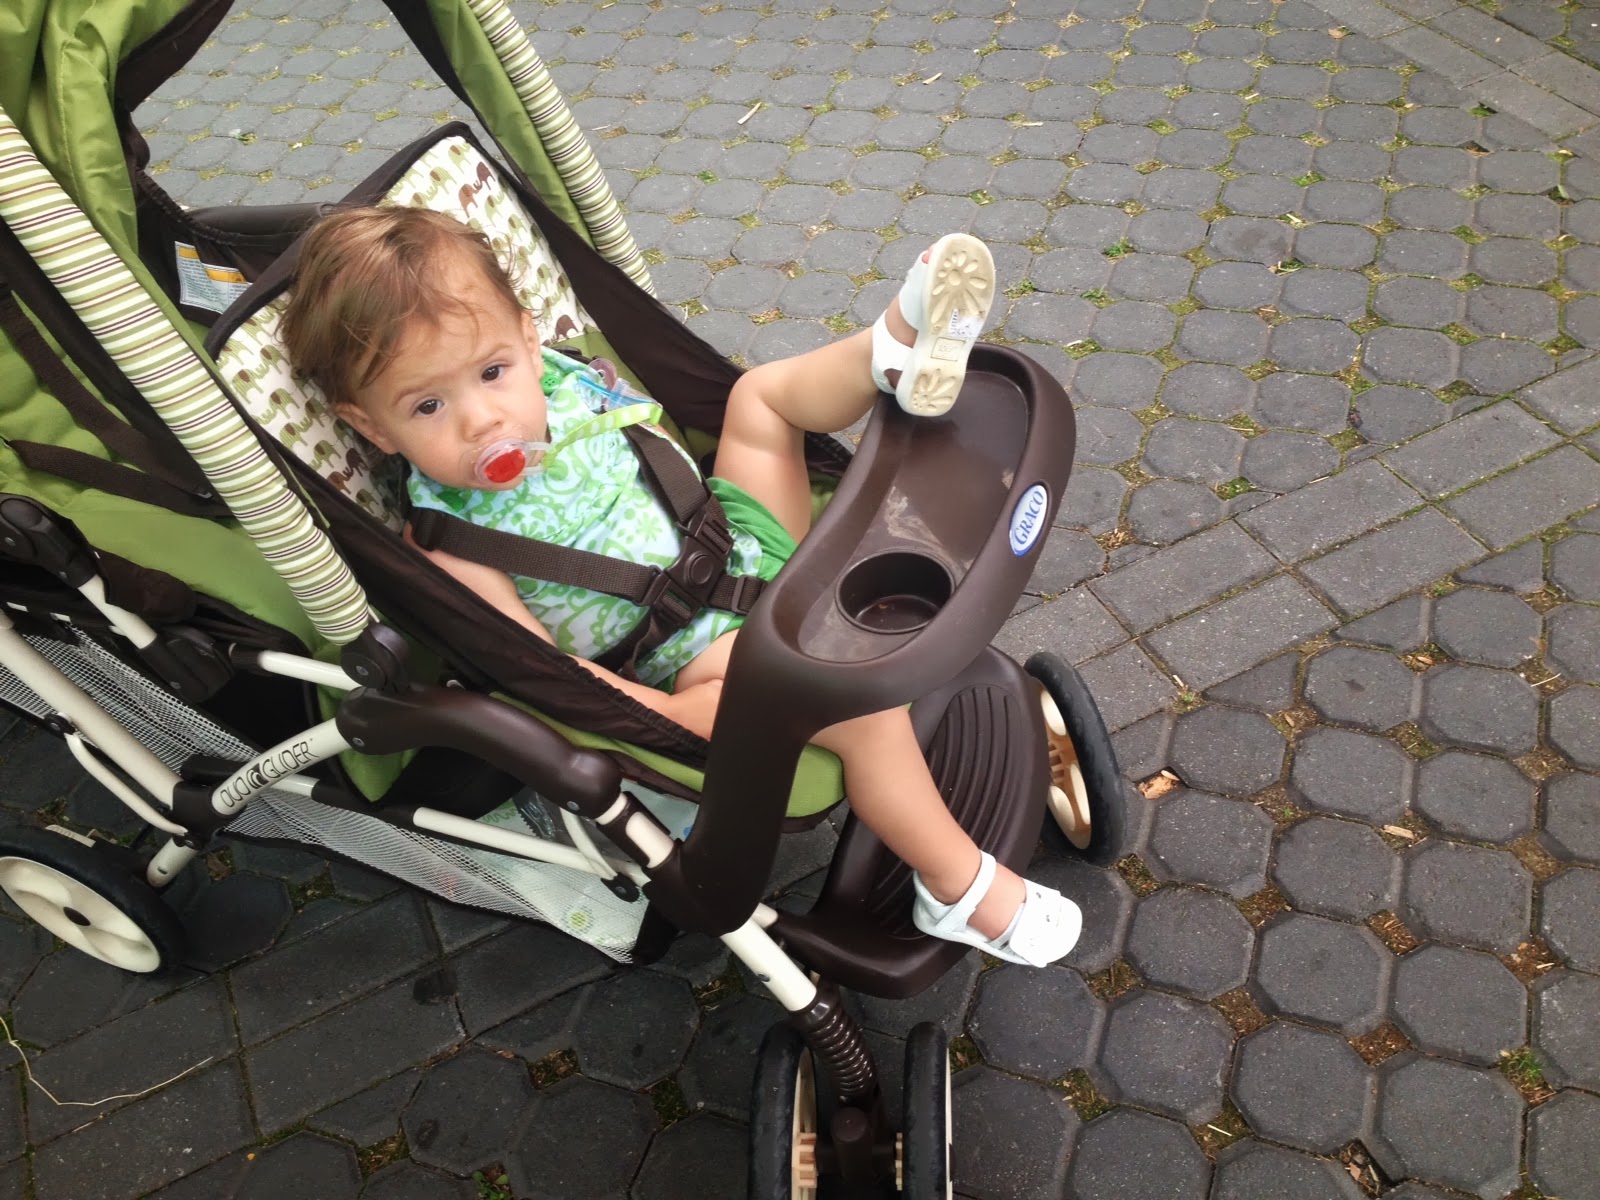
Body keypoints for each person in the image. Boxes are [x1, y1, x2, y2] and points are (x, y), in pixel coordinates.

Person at [279, 205, 1081, 967]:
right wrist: (653, 721)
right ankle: (956, 888)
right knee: (850, 705)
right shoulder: (449, 540)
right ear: (373, 427)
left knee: (759, 401)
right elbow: (541, 671)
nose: (481, 420)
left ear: (529, 338)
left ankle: (889, 352)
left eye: (493, 372)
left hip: (736, 543)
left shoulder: (567, 381)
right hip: (691, 664)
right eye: (428, 405)